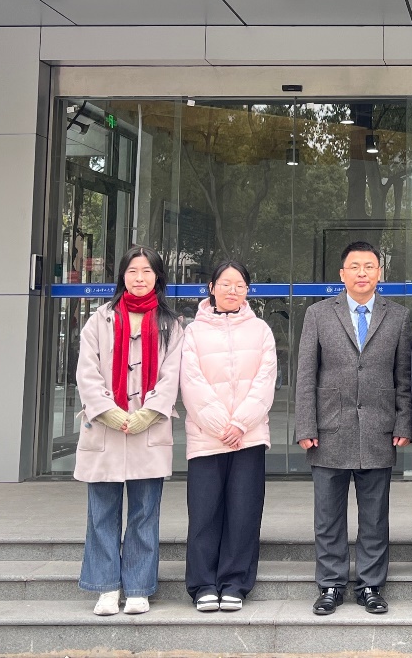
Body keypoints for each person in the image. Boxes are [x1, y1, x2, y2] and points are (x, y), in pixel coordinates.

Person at [294, 240, 412, 616]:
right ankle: (331, 584)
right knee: (328, 516)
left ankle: (371, 585)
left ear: (379, 273)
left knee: (375, 516)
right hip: (329, 427)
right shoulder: (318, 314)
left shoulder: (398, 316)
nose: (362, 273)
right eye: (355, 267)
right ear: (342, 274)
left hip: (378, 428)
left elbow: (404, 376)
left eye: (369, 266)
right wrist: (305, 424)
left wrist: (404, 420)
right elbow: (306, 374)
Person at [74, 246, 182, 617]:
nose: (139, 277)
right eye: (133, 270)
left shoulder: (170, 324)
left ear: (157, 277)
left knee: (144, 514)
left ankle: (138, 588)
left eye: (147, 271)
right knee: (101, 514)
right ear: (122, 275)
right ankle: (106, 587)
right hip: (104, 430)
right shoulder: (100, 319)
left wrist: (147, 413)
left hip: (147, 432)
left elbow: (172, 375)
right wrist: (108, 411)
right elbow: (86, 372)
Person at [180, 259, 277, 613]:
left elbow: (266, 382)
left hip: (248, 437)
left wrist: (240, 424)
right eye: (225, 284)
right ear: (211, 288)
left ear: (247, 290)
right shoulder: (193, 332)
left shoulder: (261, 330)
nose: (232, 290)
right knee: (204, 513)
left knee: (244, 511)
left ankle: (235, 582)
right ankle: (203, 584)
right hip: (206, 438)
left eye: (239, 285)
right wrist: (221, 425)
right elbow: (190, 382)